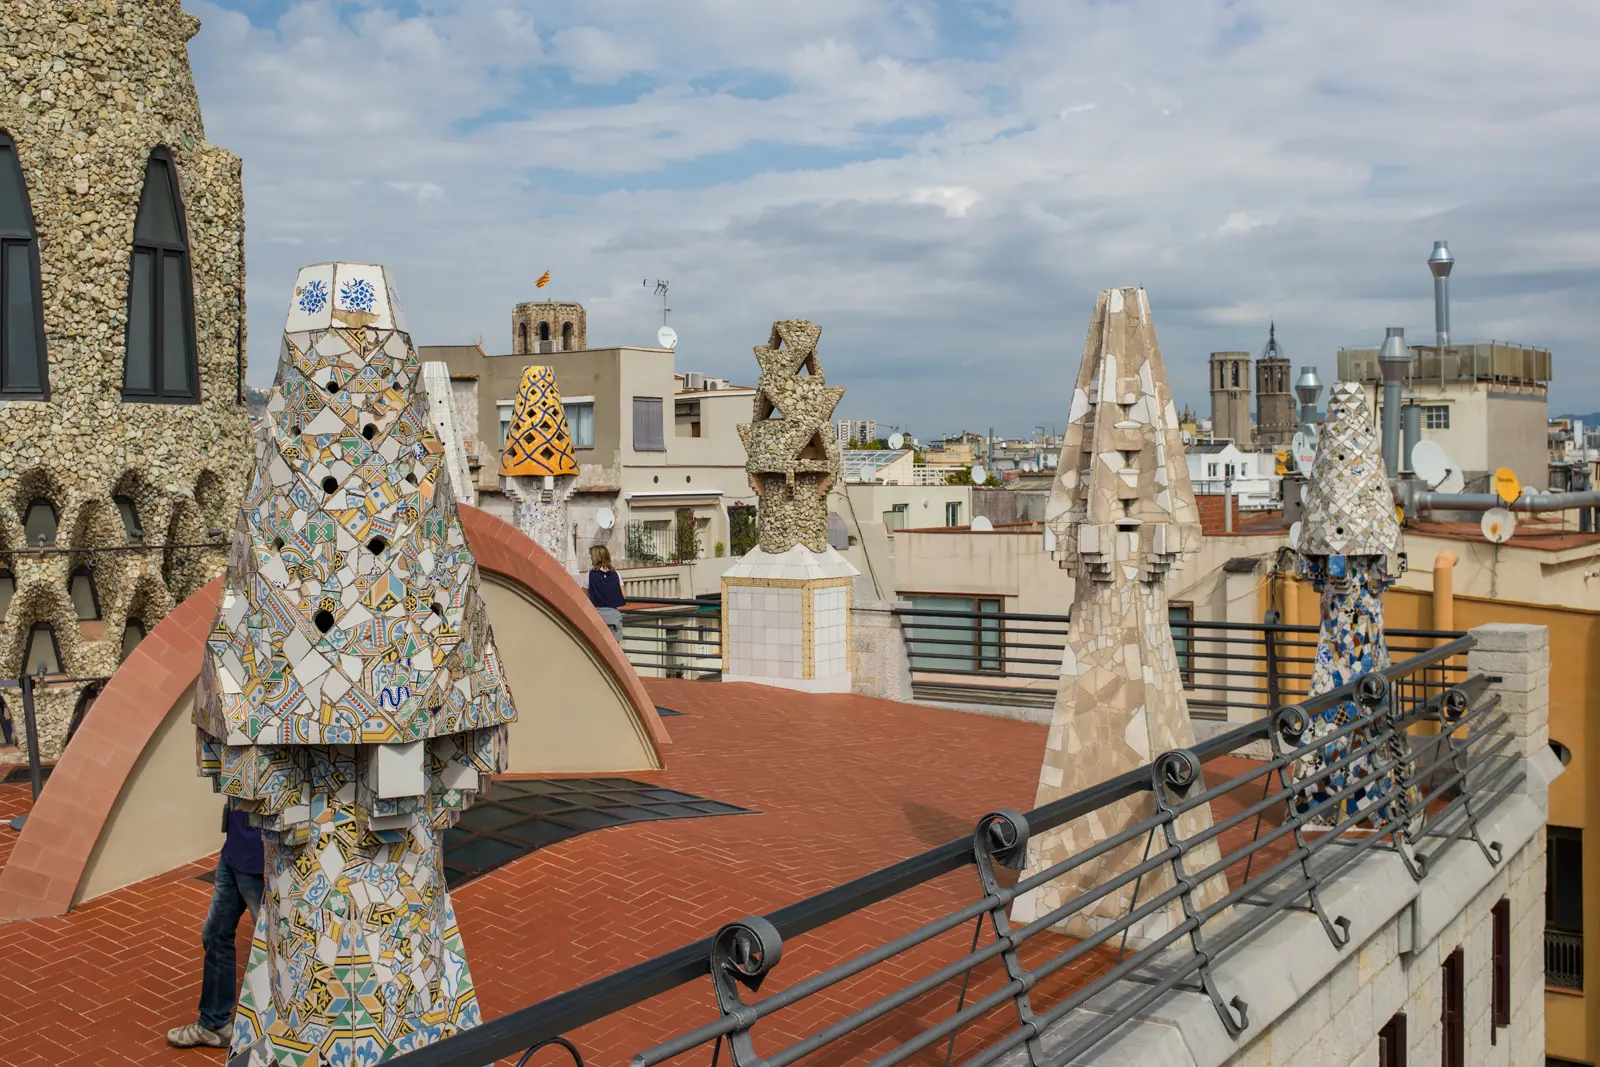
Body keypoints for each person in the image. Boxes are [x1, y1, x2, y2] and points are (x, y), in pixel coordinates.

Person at [166, 804, 265, 1049]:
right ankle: (214, 1024)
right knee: (216, 934)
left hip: (260, 862)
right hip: (233, 852)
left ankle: (287, 1033)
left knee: (276, 948)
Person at [579, 544, 626, 641]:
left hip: (596, 616)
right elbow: (623, 595)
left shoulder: (590, 575)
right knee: (613, 648)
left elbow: (582, 596)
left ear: (596, 558)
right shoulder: (616, 574)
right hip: (613, 616)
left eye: (592, 557)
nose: (591, 559)